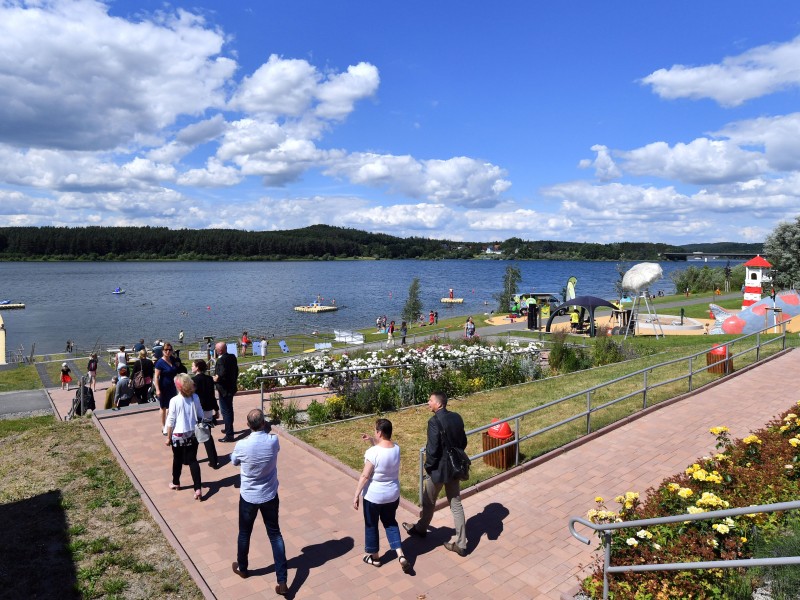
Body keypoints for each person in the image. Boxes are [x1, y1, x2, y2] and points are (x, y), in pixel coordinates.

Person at [230, 409, 289, 595]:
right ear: (263, 423)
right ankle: (282, 580)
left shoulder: (241, 445)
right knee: (275, 535)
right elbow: (274, 447)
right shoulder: (273, 441)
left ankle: (243, 567)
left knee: (244, 533)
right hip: (269, 494)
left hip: (248, 496)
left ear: (248, 426)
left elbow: (234, 461)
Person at [402, 392, 468, 557]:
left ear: (439, 404)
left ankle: (421, 529)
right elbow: (463, 441)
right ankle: (461, 543)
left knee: (429, 500)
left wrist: (429, 467)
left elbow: (432, 450)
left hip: (438, 470)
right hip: (454, 468)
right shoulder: (456, 417)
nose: (428, 403)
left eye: (430, 400)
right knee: (456, 504)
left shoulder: (434, 422)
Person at [353, 418, 410, 573]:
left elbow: (365, 476)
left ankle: (375, 557)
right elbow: (383, 453)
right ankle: (401, 555)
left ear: (379, 432)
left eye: (375, 431)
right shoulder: (396, 448)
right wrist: (372, 440)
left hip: (374, 497)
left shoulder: (372, 452)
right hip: (392, 495)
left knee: (371, 524)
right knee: (390, 522)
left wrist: (356, 494)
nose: (374, 432)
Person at [164, 373, 204, 501]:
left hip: (178, 435)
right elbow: (200, 415)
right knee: (193, 460)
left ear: (178, 387)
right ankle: (198, 488)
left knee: (177, 459)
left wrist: (168, 437)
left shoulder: (174, 400)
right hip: (192, 433)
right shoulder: (195, 397)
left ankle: (176, 482)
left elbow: (171, 420)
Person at [192, 359, 219, 469]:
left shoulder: (193, 381)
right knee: (207, 434)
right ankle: (213, 460)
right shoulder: (209, 379)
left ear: (197, 367)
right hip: (208, 411)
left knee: (195, 435)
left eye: (193, 366)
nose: (192, 367)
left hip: (197, 412)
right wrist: (216, 409)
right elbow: (212, 396)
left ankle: (190, 458)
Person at [214, 341, 239, 443]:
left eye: (216, 349)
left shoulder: (221, 360)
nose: (215, 350)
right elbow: (236, 370)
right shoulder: (232, 357)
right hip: (231, 387)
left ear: (220, 350)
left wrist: (216, 378)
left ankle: (229, 434)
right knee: (229, 409)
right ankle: (228, 427)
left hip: (224, 389)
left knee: (226, 410)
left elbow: (221, 373)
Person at [154, 342, 179, 434]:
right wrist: (157, 389)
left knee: (171, 406)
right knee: (163, 407)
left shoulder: (173, 359)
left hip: (172, 387)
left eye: (169, 350)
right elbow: (156, 377)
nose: (168, 352)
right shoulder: (159, 362)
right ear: (162, 351)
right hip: (163, 387)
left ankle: (170, 424)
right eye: (166, 350)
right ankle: (163, 425)